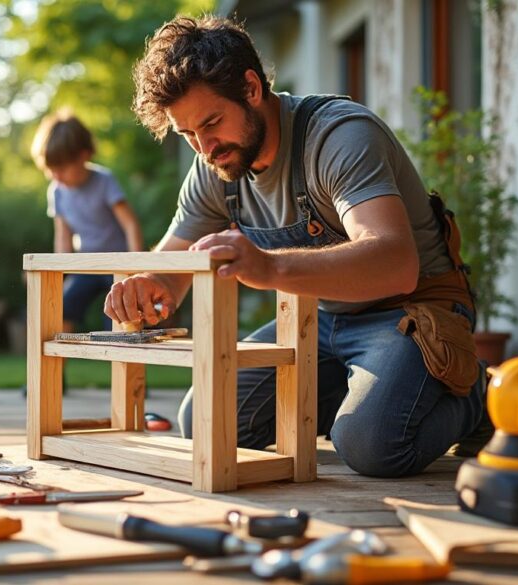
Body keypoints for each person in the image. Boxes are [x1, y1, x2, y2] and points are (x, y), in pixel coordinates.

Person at [104, 16, 490, 478]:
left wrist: (269, 267)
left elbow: (395, 263)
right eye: (187, 135)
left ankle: (477, 398)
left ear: (251, 88)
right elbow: (171, 265)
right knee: (205, 423)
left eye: (211, 124)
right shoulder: (215, 165)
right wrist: (148, 285)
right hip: (320, 319)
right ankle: (369, 399)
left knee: (371, 447)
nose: (204, 148)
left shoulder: (338, 137)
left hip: (413, 312)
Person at [32, 109, 144, 331]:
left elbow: (130, 224)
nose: (56, 176)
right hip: (87, 265)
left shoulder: (104, 180)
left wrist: (136, 269)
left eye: (61, 168)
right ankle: (57, 366)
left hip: (117, 264)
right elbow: (63, 238)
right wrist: (57, 277)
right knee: (58, 309)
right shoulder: (57, 191)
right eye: (50, 170)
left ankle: (119, 359)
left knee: (119, 317)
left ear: (83, 156)